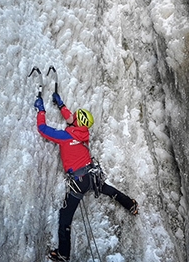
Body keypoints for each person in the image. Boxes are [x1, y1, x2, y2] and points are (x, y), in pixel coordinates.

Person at [34, 91, 138, 262]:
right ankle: (131, 205)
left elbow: (42, 129)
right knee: (110, 190)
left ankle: (63, 254)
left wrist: (41, 111)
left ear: (77, 122)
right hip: (92, 176)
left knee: (65, 217)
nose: (72, 116)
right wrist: (61, 105)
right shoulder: (84, 135)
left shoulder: (65, 136)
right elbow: (71, 119)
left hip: (79, 182)